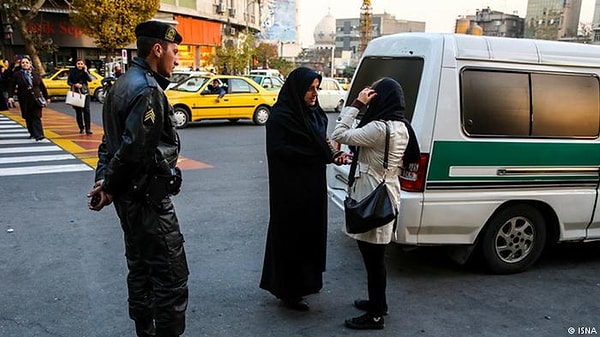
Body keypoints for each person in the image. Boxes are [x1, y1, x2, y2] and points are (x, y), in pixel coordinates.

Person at [87, 21, 188, 337]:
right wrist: (110, 185)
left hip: (128, 201)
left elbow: (109, 144)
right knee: (171, 277)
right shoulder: (146, 89)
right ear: (157, 49)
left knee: (140, 271)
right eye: (174, 51)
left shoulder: (121, 85)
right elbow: (134, 150)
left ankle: (144, 332)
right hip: (149, 202)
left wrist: (105, 183)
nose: (176, 58)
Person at [331, 77, 420, 330]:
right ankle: (377, 303)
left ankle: (376, 315)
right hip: (388, 192)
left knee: (373, 258)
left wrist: (357, 104)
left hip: (372, 195)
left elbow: (339, 134)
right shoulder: (402, 126)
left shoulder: (379, 129)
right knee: (375, 255)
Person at [260, 67, 349, 311]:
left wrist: (334, 155)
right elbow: (280, 150)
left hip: (312, 185)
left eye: (317, 88)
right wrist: (317, 155)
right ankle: (289, 291)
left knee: (311, 233)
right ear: (297, 89)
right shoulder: (281, 117)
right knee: (292, 237)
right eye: (310, 88)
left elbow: (323, 142)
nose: (314, 93)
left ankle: (308, 282)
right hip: (290, 189)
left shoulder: (314, 114)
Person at [7, 56, 50, 141]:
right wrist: (10, 97)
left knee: (36, 116)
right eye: (23, 63)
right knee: (28, 116)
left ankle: (39, 134)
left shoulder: (35, 74)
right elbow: (11, 86)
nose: (25, 64)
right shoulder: (17, 74)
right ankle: (32, 133)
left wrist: (46, 97)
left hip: (36, 98)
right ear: (21, 64)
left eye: (27, 62)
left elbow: (42, 86)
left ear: (30, 64)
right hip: (24, 99)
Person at [67, 58, 94, 134]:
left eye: (81, 64)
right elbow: (68, 82)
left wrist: (86, 71)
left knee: (87, 111)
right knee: (78, 112)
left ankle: (88, 129)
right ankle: (81, 127)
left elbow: (90, 80)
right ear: (76, 64)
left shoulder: (85, 71)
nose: (80, 65)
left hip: (85, 92)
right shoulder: (72, 72)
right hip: (76, 93)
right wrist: (75, 84)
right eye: (78, 64)